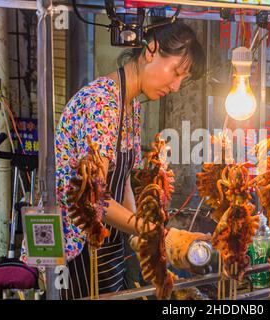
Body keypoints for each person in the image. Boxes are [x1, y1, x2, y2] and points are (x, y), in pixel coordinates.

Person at [50, 21, 207, 299]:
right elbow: (92, 199)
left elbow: (121, 183)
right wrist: (157, 232)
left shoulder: (130, 104)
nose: (176, 86)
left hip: (110, 247)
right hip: (77, 250)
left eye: (183, 79)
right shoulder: (101, 104)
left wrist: (140, 236)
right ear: (151, 51)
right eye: (176, 73)